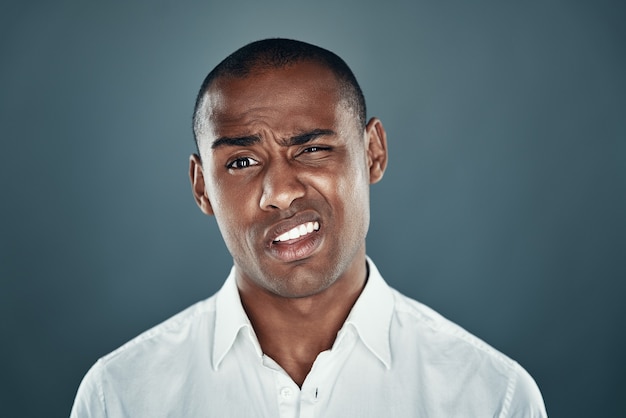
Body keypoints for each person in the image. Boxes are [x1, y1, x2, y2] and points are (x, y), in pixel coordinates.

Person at [70, 38, 547, 417]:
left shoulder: (491, 399)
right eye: (240, 161)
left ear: (373, 152)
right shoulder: (120, 397)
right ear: (201, 189)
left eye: (313, 149)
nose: (280, 191)